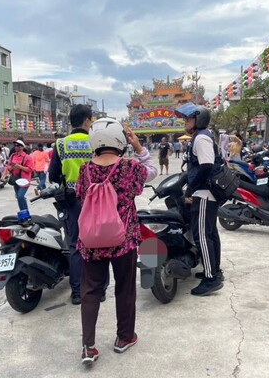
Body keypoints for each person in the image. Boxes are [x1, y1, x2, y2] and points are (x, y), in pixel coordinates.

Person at [77, 118, 157, 365]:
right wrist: (140, 148)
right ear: (120, 140)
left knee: (90, 290)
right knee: (124, 288)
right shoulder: (129, 168)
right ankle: (124, 337)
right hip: (123, 239)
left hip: (91, 240)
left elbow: (79, 196)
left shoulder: (85, 169)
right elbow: (152, 173)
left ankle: (88, 347)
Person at [174, 102, 224, 296]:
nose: (185, 122)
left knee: (201, 235)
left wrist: (191, 190)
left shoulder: (201, 138)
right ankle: (214, 271)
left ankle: (211, 279)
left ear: (198, 119)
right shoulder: (201, 137)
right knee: (210, 234)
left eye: (188, 118)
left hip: (204, 194)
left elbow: (205, 166)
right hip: (207, 193)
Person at [48, 104, 94, 305]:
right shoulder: (95, 142)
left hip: (71, 200)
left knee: (75, 244)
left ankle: (77, 292)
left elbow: (52, 175)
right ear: (86, 121)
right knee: (96, 243)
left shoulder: (60, 144)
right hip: (94, 198)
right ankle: (97, 289)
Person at [1, 139, 34, 212]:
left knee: (20, 196)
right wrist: (11, 168)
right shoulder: (13, 156)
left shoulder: (27, 157)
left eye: (18, 146)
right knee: (18, 197)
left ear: (22, 147)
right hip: (16, 179)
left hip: (24, 180)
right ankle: (23, 212)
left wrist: (20, 167)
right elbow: (8, 166)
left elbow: (30, 169)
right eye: (15, 145)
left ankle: (26, 213)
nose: (16, 147)